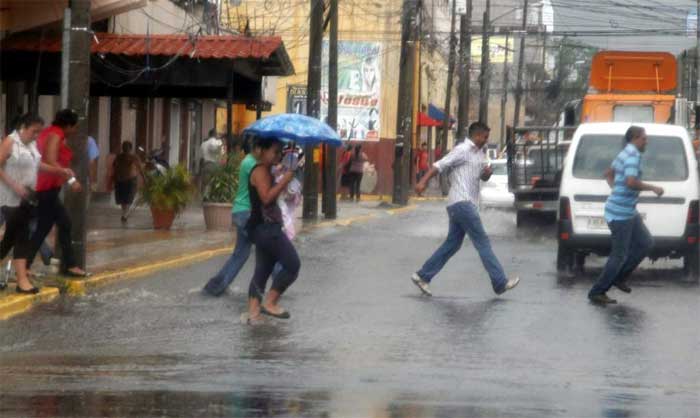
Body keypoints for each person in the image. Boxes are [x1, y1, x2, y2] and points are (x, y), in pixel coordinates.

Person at [411, 122, 520, 297]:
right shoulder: (462, 150)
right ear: (476, 135)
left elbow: (481, 177)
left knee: (453, 244)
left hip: (460, 204)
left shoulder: (479, 155)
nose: (486, 140)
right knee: (482, 242)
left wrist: (487, 174)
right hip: (462, 203)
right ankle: (499, 282)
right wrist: (423, 182)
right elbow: (439, 165)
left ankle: (422, 275)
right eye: (485, 137)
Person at [588, 126, 664, 305]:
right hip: (620, 214)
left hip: (626, 210)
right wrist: (653, 188)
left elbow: (608, 173)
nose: (647, 141)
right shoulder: (633, 156)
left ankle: (619, 277)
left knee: (646, 243)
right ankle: (597, 291)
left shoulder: (624, 153)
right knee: (619, 255)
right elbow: (631, 182)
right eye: (644, 138)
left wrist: (616, 189)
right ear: (635, 138)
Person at [0, 114, 71, 293]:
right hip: (10, 198)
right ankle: (22, 281)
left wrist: (60, 171)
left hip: (28, 197)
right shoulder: (11, 142)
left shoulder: (30, 145)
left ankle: (22, 280)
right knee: (21, 235)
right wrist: (14, 185)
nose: (36, 136)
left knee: (10, 239)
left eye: (39, 132)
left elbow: (38, 165)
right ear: (23, 126)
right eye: (34, 131)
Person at [25, 109, 89, 277]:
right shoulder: (56, 134)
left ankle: (28, 265)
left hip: (47, 186)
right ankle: (69, 265)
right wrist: (71, 180)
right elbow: (50, 160)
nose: (74, 130)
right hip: (47, 187)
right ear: (67, 125)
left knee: (53, 225)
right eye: (74, 127)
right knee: (54, 226)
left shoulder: (49, 132)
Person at [246, 136, 301, 323]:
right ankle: (270, 303)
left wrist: (283, 177)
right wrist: (285, 180)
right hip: (267, 229)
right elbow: (267, 198)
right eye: (275, 151)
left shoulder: (267, 171)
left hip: (262, 228)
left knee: (262, 271)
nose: (278, 155)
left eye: (280, 152)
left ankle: (253, 314)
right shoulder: (261, 171)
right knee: (293, 264)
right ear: (262, 150)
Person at [202, 138, 258, 296]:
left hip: (241, 211)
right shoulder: (252, 164)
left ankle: (215, 286)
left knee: (241, 254)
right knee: (269, 248)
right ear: (257, 148)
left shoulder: (248, 161)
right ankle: (280, 279)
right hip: (247, 213)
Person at [112, 141, 143, 223]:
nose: (125, 148)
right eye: (124, 147)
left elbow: (140, 168)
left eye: (126, 147)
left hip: (126, 180)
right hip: (125, 180)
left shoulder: (130, 157)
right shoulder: (121, 157)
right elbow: (114, 168)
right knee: (125, 199)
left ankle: (124, 214)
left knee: (127, 199)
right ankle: (124, 213)